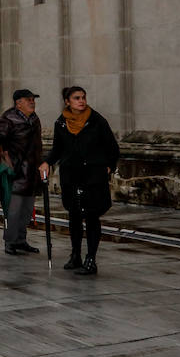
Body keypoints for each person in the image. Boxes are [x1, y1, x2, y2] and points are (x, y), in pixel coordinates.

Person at [41, 86, 121, 275]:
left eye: (83, 97)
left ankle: (91, 259)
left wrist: (108, 165)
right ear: (67, 102)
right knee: (74, 215)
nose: (81, 101)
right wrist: (47, 162)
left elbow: (112, 147)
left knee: (92, 216)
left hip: (93, 176)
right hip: (71, 176)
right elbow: (58, 149)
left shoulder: (96, 121)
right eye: (77, 98)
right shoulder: (61, 123)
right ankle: (75, 254)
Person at [0, 88, 44, 255]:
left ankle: (21, 240)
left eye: (33, 99)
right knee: (13, 210)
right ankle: (10, 241)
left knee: (27, 209)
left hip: (32, 171)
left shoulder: (35, 119)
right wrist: (7, 163)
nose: (32, 102)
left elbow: (38, 144)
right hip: (15, 172)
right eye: (28, 99)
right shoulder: (8, 118)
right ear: (18, 103)